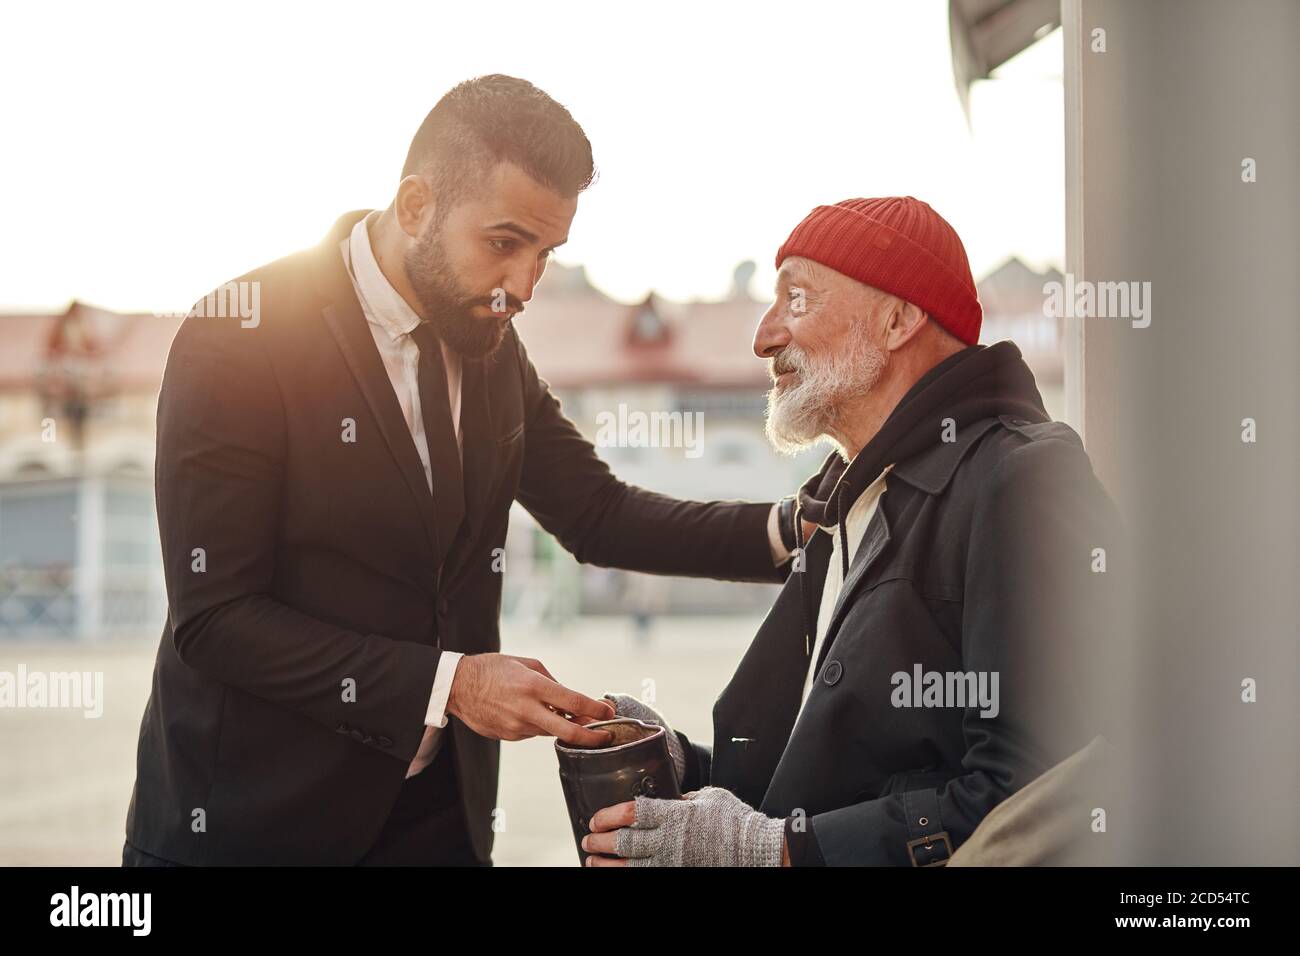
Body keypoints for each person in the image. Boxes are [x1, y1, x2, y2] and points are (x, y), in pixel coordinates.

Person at [122, 75, 802, 867]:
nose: (523, 288)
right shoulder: (238, 335)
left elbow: (596, 513)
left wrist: (793, 530)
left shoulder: (489, 343)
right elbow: (216, 618)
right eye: (503, 243)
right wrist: (453, 686)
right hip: (252, 825)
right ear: (416, 206)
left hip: (439, 822)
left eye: (546, 254)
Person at [588, 197, 1124, 866]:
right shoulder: (852, 500)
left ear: (899, 318)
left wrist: (775, 852)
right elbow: (815, 782)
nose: (763, 336)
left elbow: (1038, 792)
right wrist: (672, 765)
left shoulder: (1020, 479)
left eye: (797, 299)